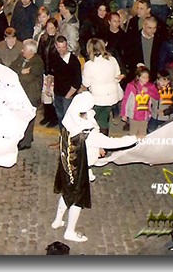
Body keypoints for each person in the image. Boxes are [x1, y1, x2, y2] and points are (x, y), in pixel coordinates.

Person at [51, 92, 136, 242]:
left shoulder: (70, 120)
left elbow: (91, 126)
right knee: (77, 200)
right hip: (79, 168)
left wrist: (97, 147)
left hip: (67, 166)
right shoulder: (87, 134)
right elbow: (113, 143)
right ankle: (70, 231)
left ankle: (57, 221)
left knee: (66, 193)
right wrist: (134, 138)